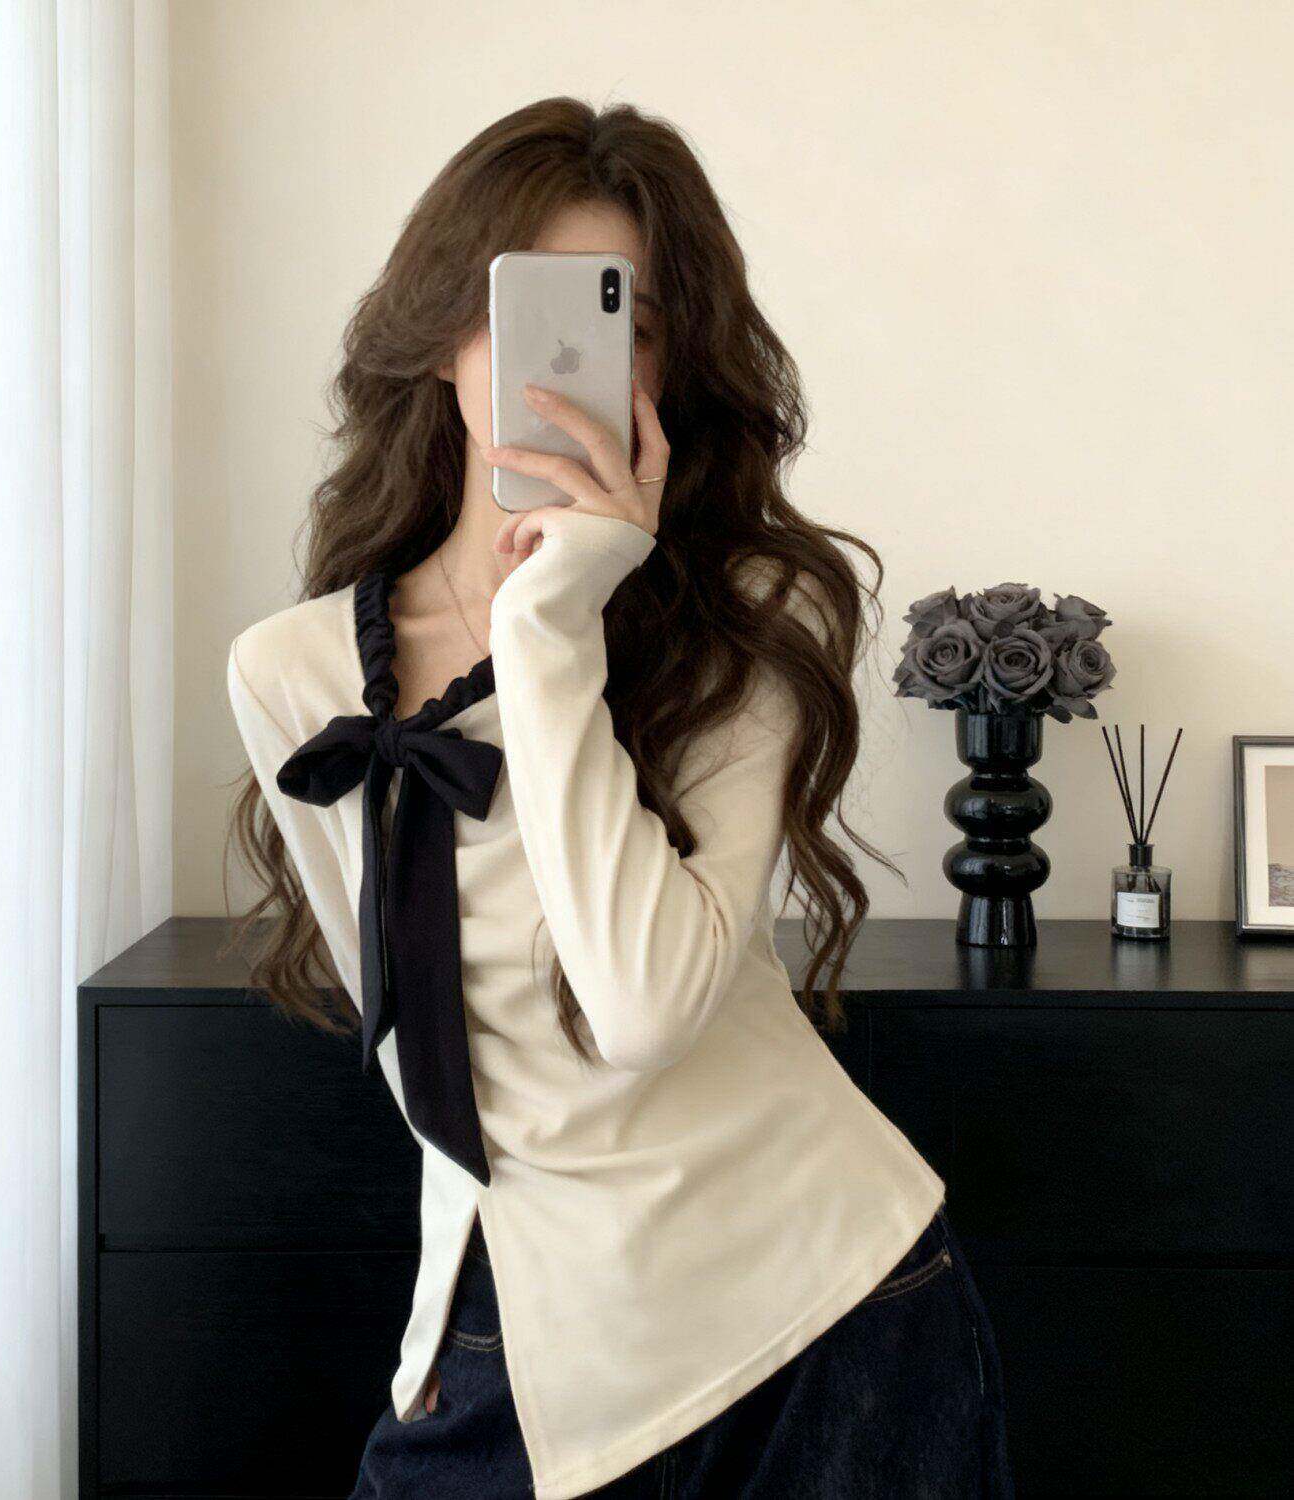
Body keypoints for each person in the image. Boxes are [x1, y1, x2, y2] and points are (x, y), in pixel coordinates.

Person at [225, 95, 1014, 1500]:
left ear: (673, 363)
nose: (565, 359)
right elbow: (428, 1060)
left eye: (625, 320)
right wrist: (438, 1326)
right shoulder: (291, 672)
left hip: (828, 1316)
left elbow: (646, 1008)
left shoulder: (752, 616)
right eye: (524, 306)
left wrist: (551, 616)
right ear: (444, 330)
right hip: (534, 1327)